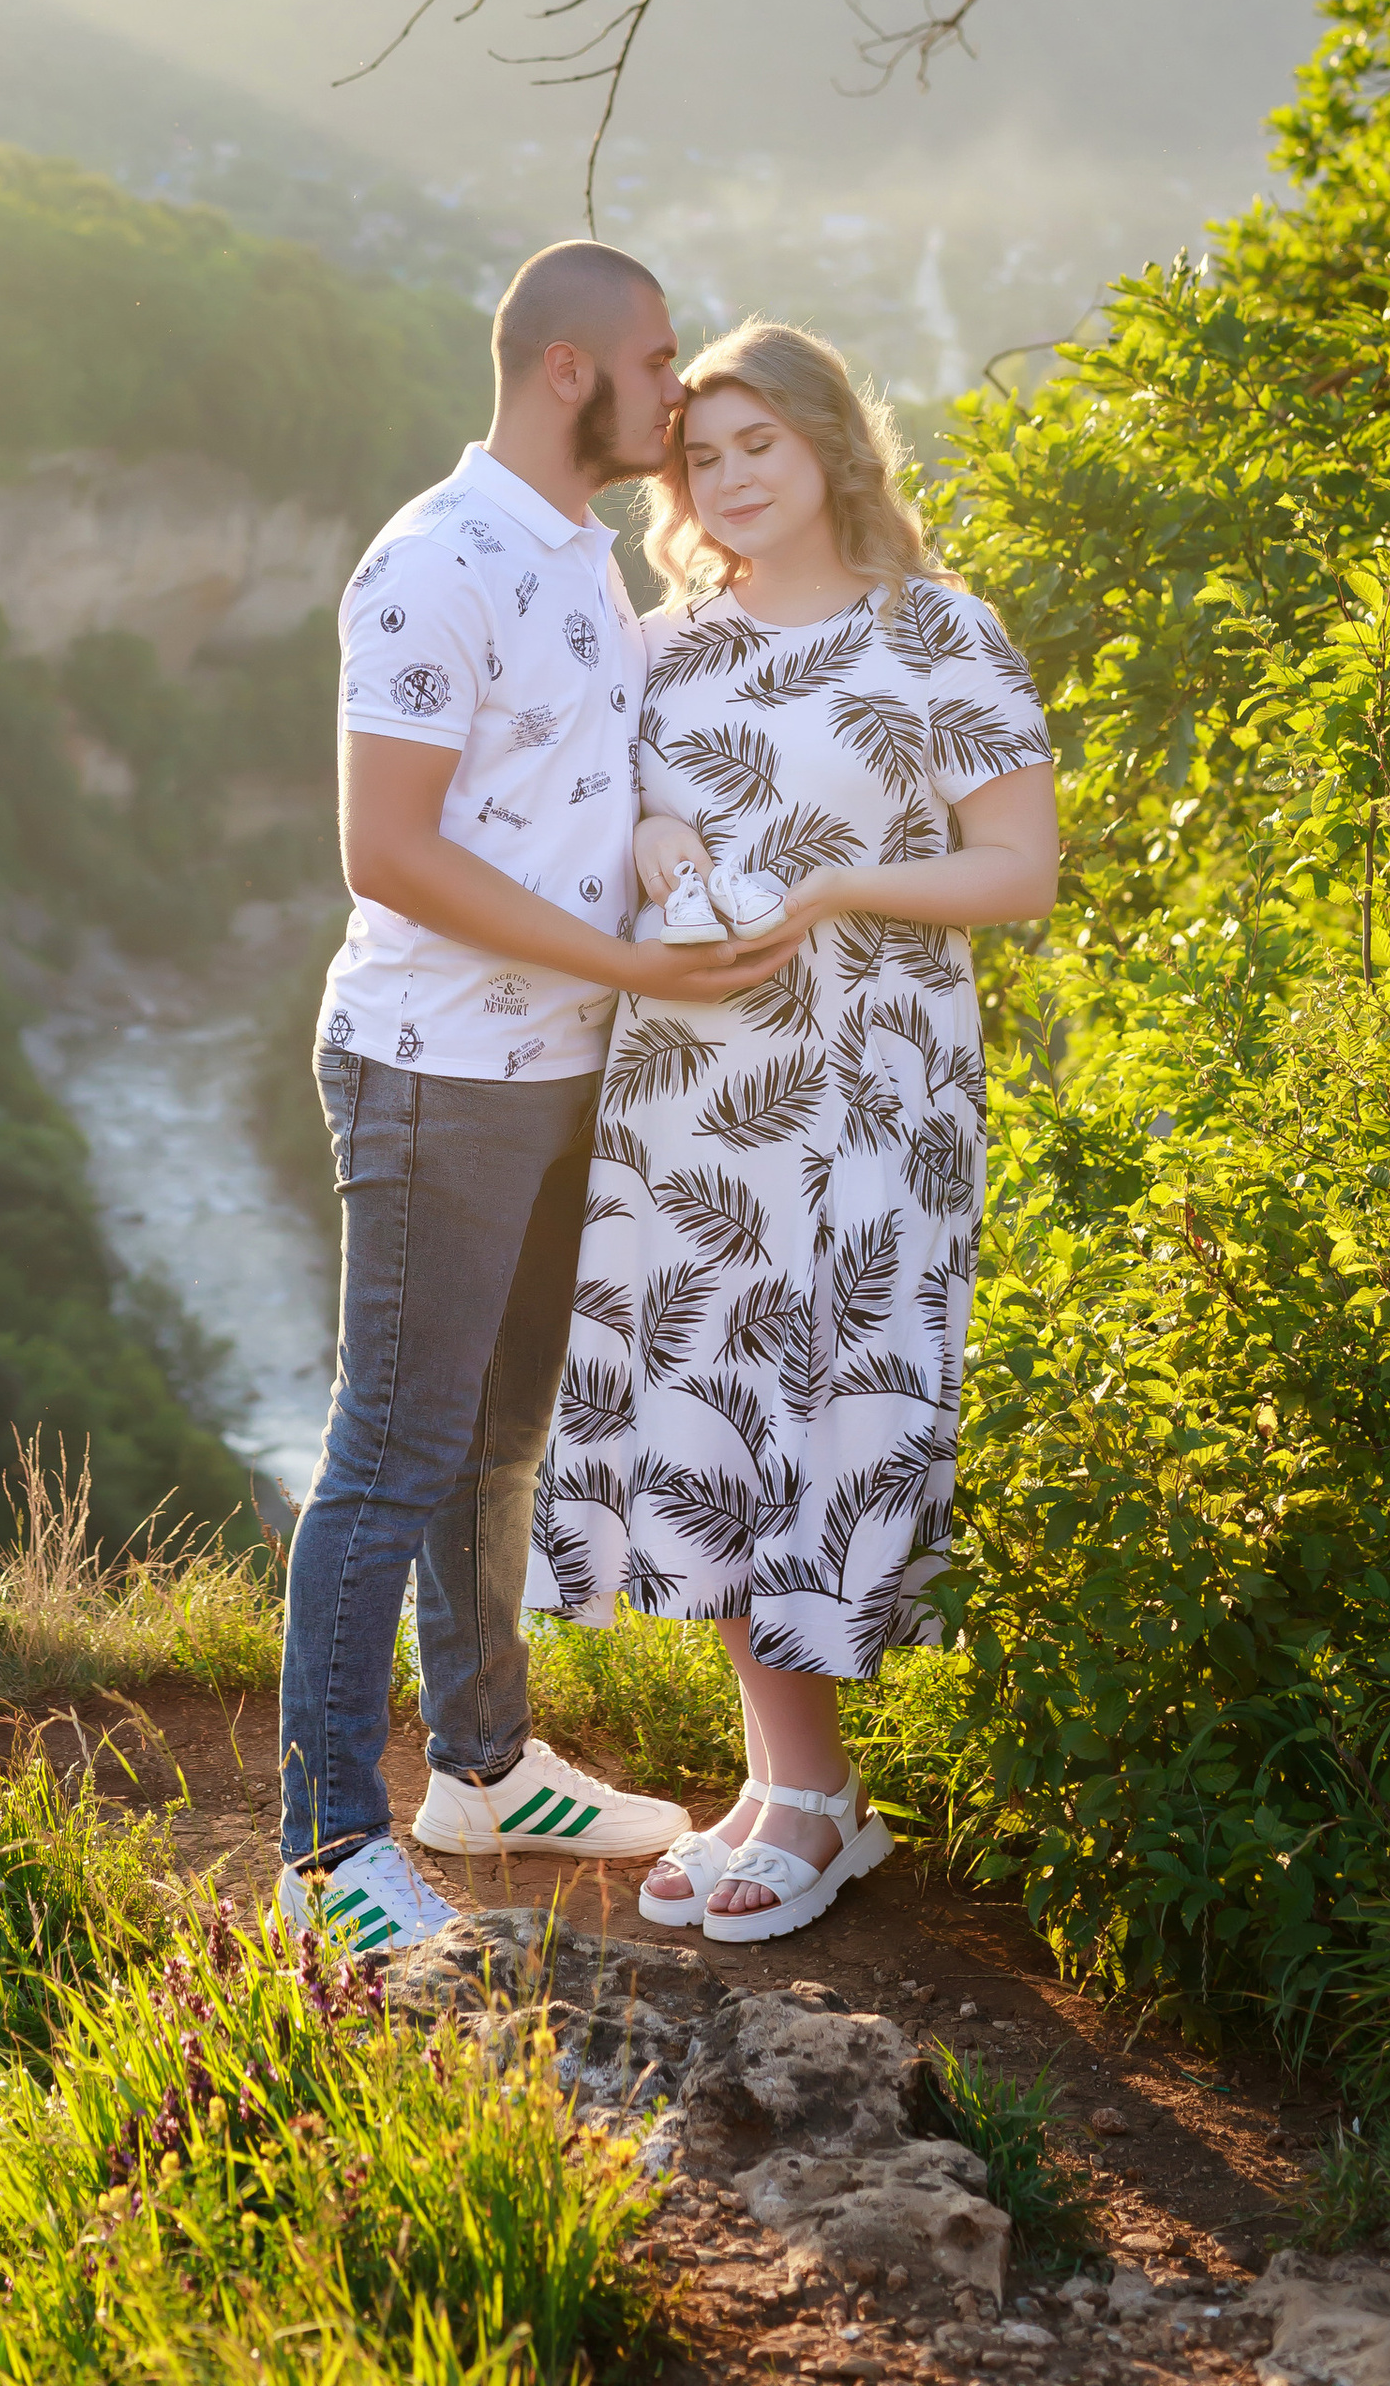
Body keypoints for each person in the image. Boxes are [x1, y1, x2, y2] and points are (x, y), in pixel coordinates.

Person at [279, 241, 794, 1956]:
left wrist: (657, 858)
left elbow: (588, 784)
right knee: (391, 1450)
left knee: (499, 1438)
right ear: (571, 370)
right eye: (656, 363)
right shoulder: (433, 563)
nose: (679, 390)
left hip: (558, 1065)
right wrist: (634, 965)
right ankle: (331, 1852)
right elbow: (388, 850)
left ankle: (482, 1768)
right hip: (436, 1071)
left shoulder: (579, 551)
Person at [527, 319, 1058, 1947]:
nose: (731, 477)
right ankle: (787, 1787)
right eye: (703, 455)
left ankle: (818, 1805)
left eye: (760, 442)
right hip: (690, 1088)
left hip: (872, 1090)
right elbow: (620, 828)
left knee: (825, 1399)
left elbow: (1018, 876)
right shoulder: (672, 652)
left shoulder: (938, 635)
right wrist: (669, 844)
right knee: (712, 1403)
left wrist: (830, 885)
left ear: (831, 442)